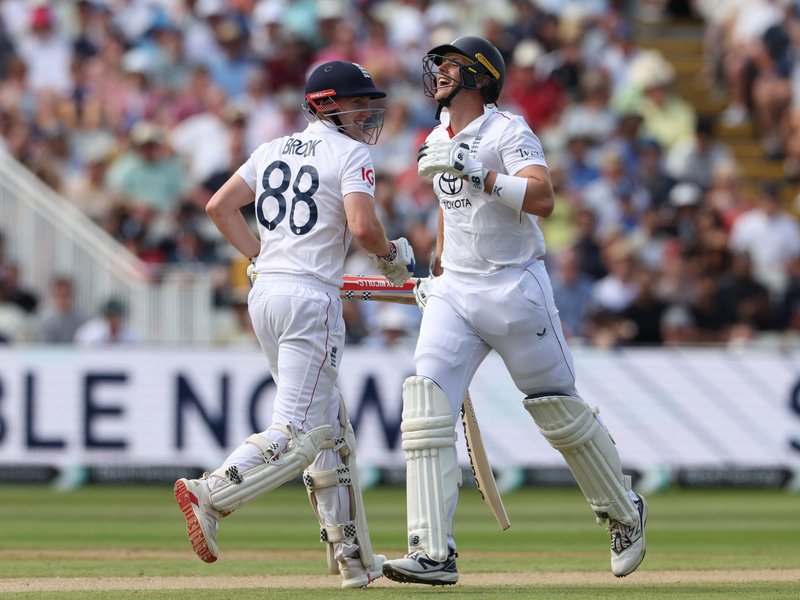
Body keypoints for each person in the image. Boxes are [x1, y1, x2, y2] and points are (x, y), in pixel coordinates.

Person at [381, 36, 646, 586]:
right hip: (456, 291)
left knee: (557, 410)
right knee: (426, 405)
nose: (441, 72)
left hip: (513, 286)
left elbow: (543, 198)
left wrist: (478, 172)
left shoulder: (509, 130)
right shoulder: (436, 135)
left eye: (453, 65)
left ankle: (624, 511)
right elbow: (449, 207)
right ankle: (432, 552)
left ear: (481, 77)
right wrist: (438, 266)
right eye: (440, 64)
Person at [173, 60, 415, 589]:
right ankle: (210, 493)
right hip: (311, 300)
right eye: (357, 102)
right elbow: (362, 227)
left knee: (330, 430)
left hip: (265, 295)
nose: (366, 112)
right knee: (300, 433)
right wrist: (393, 257)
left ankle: (353, 559)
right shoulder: (351, 153)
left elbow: (219, 207)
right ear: (326, 104)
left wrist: (259, 255)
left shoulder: (271, 149)